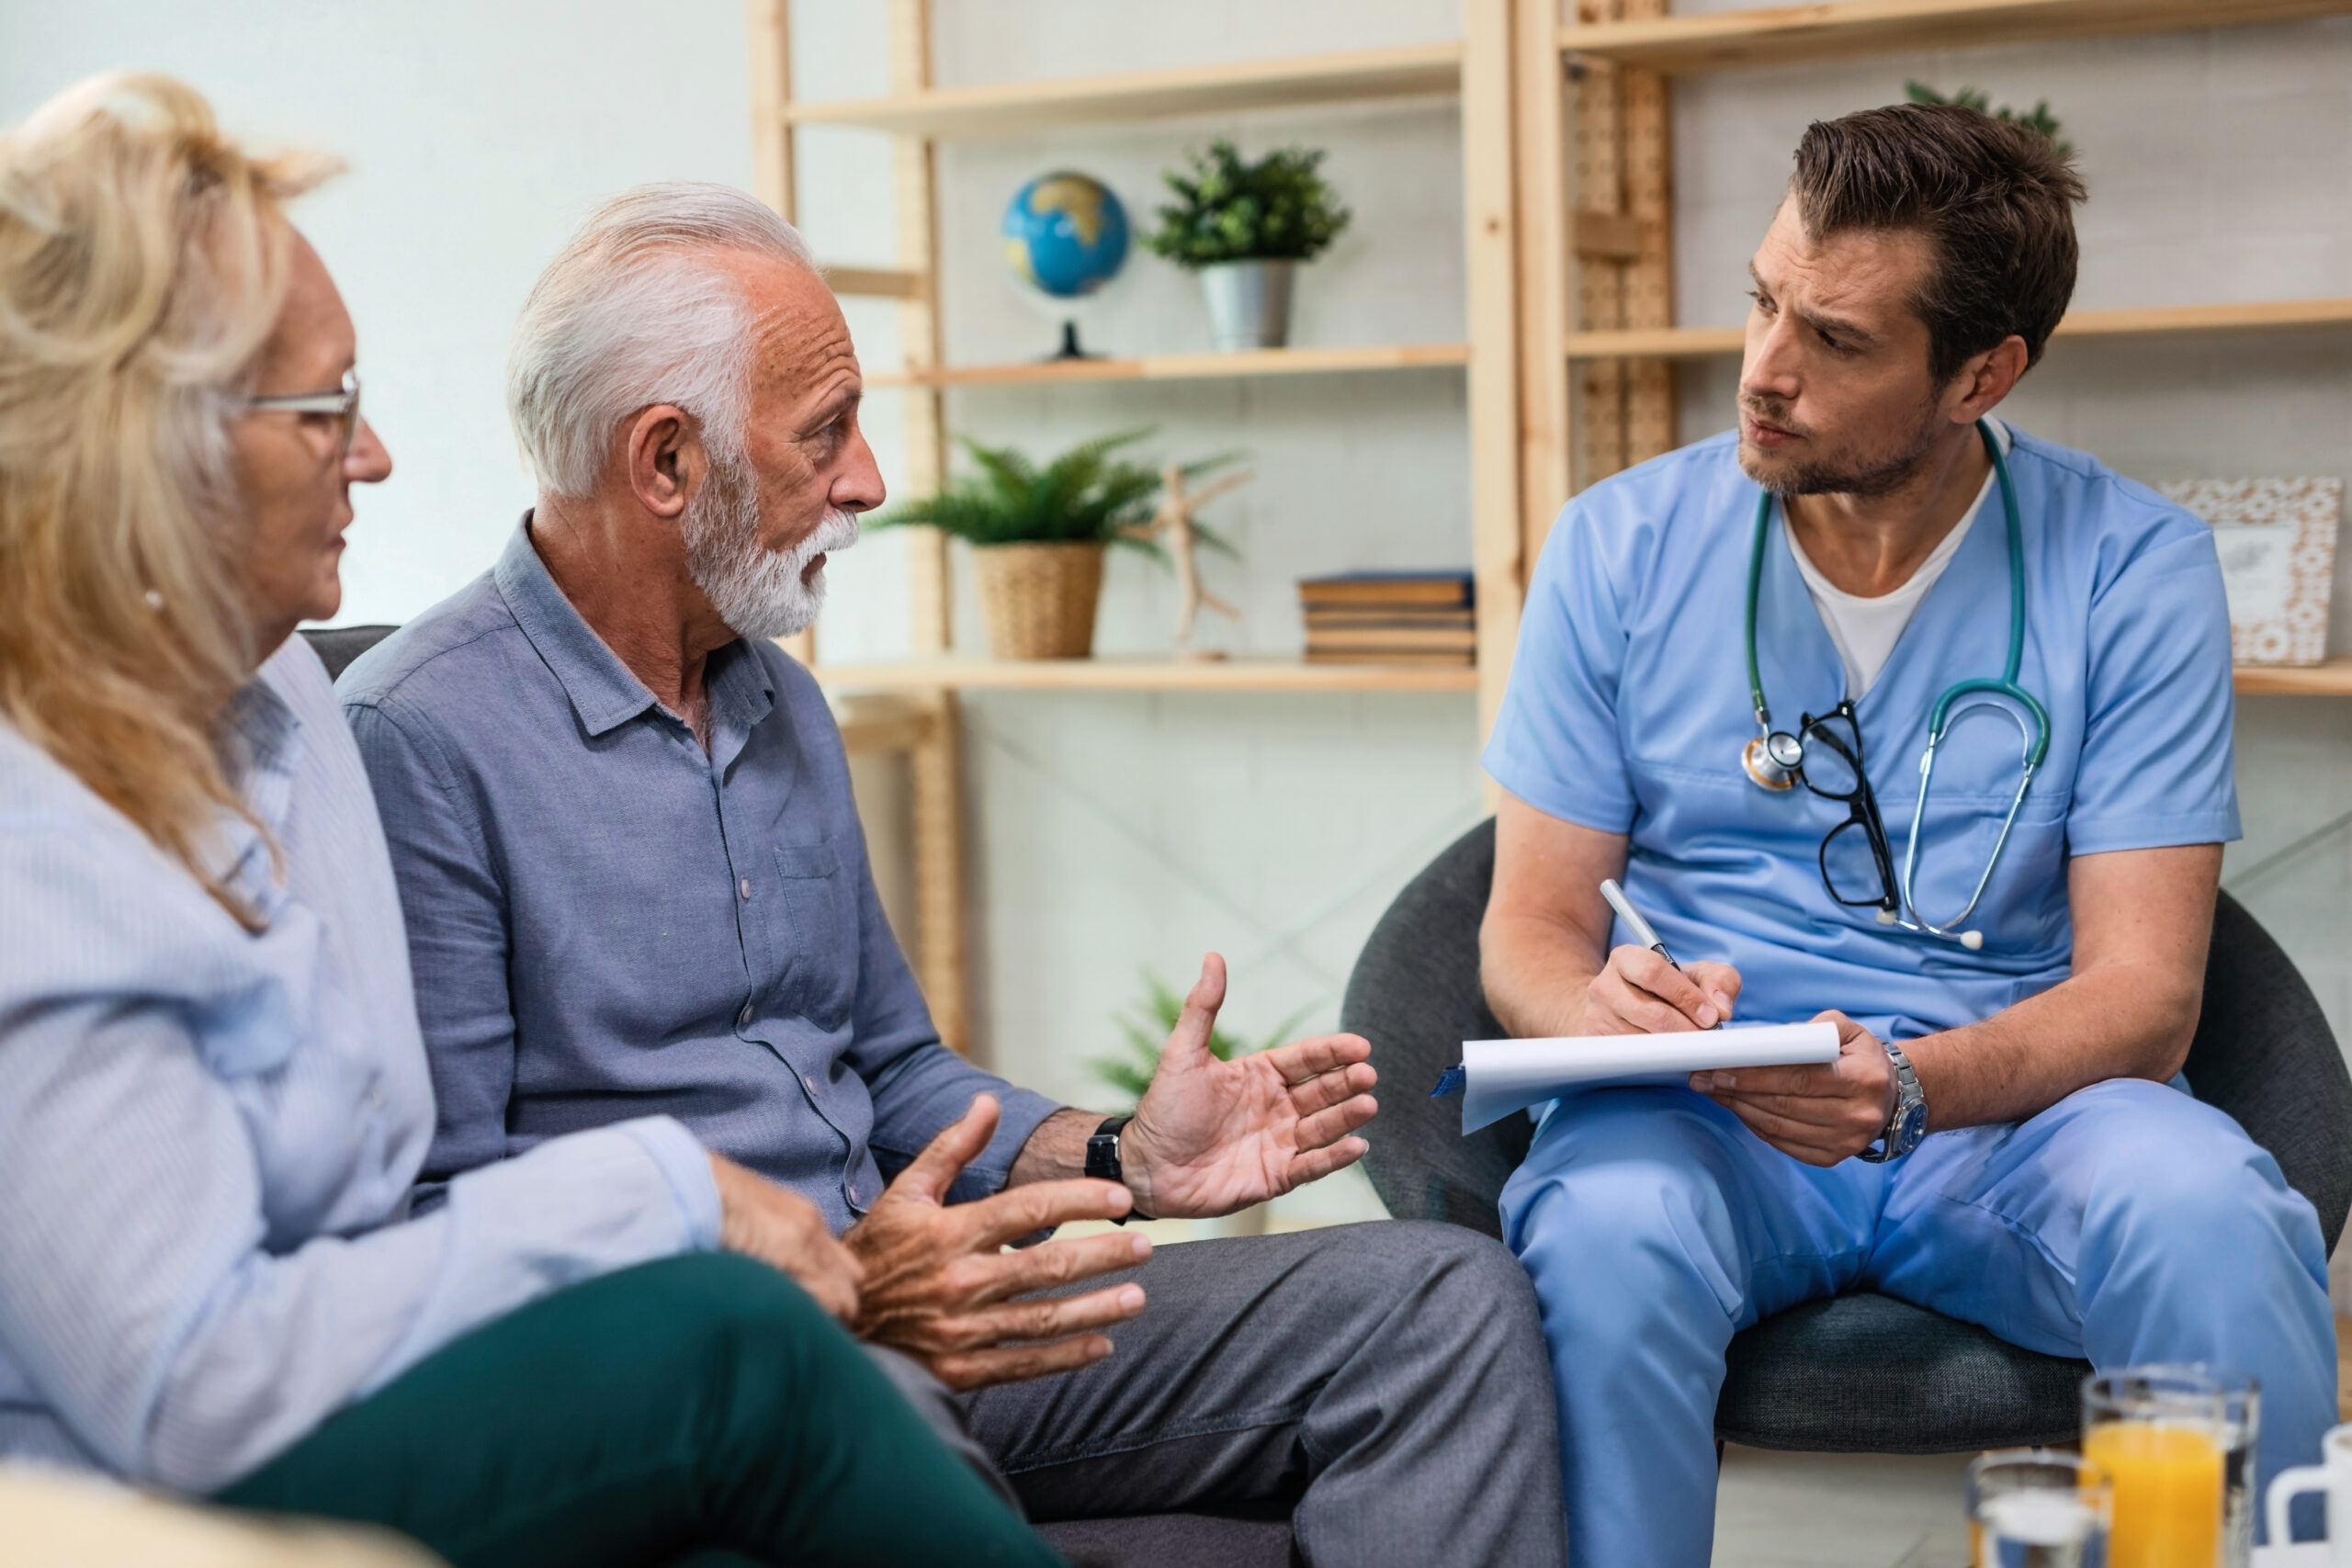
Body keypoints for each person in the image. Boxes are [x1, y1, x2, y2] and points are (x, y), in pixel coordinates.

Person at [339, 182, 1568, 1566]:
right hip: (736, 1368)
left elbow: (896, 1068)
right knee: (874, 1417)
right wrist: (832, 1293)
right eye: (826, 433)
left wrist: (1123, 1155)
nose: (868, 478)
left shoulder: (779, 703)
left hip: (942, 1303)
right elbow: (441, 1213)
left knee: (1444, 1308)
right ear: (665, 462)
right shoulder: (414, 743)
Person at [0, 73, 1068, 1568]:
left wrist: (1119, 1152)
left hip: (398, 1369)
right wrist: (666, 1196)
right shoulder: (50, 843)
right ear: (147, 448)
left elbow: (390, 1197)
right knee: (740, 1348)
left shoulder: (284, 701)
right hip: (160, 1490)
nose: (375, 457)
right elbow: (194, 1388)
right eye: (330, 409)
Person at [1479, 102, 2335, 1564]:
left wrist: (1917, 1088)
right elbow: (1528, 934)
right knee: (1605, 1241)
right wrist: (1603, 1018)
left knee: (2213, 1217)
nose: (1763, 372)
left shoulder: (2131, 569)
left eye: (1838, 339)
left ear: (1981, 374)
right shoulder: (1616, 548)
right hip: (1705, 1116)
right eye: (1762, 302)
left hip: (2015, 1119)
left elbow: (2148, 996)